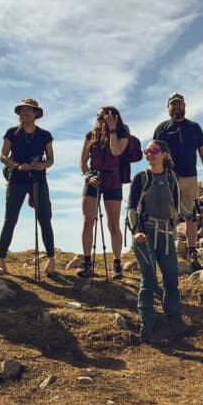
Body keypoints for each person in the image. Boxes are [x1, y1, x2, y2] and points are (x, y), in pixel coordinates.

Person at [126, 140, 195, 343]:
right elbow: (131, 208)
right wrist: (137, 231)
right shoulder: (141, 178)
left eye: (153, 151)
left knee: (171, 278)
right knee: (149, 281)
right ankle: (147, 330)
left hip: (165, 235)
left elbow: (177, 204)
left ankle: (176, 325)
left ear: (164, 154)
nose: (149, 155)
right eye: (147, 151)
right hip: (144, 236)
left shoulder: (171, 178)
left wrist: (191, 215)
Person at [0, 98, 56, 277]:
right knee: (10, 219)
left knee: (45, 219)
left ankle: (51, 260)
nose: (24, 114)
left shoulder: (45, 135)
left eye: (28, 111)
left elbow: (51, 159)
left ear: (36, 114)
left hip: (38, 179)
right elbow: (2, 155)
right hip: (16, 180)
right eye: (22, 111)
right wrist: (16, 165)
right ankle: (1, 260)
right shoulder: (12, 132)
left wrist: (42, 166)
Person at [153, 93, 203, 271]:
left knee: (192, 216)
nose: (176, 107)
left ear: (185, 106)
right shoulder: (162, 128)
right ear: (168, 107)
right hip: (169, 178)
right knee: (168, 217)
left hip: (190, 177)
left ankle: (192, 253)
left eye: (179, 104)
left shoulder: (194, 127)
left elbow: (202, 151)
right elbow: (153, 152)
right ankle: (168, 255)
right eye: (173, 104)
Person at [77, 106, 129, 279]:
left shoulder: (122, 132)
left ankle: (117, 263)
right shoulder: (90, 136)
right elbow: (83, 162)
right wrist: (88, 176)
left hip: (113, 179)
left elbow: (116, 151)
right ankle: (87, 263)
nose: (99, 121)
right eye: (98, 118)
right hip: (93, 178)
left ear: (113, 119)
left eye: (103, 118)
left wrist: (112, 129)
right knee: (87, 221)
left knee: (113, 224)